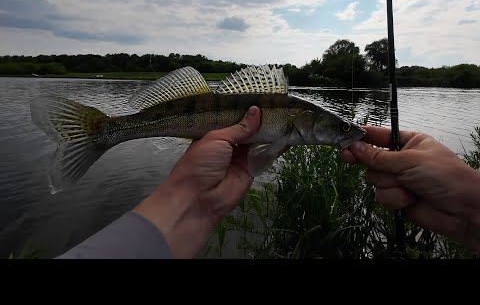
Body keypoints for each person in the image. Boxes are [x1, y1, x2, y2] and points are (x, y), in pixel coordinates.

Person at [57, 106, 480, 258]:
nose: (346, 133)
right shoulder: (288, 121)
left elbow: (257, 154)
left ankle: (110, 130)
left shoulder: (291, 126)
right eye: (336, 127)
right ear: (306, 124)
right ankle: (107, 130)